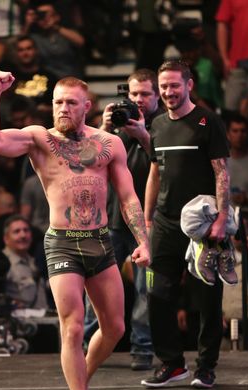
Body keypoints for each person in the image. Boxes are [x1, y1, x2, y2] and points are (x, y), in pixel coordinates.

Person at [0, 71, 151, 390]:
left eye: (71, 103)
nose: (63, 108)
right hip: (62, 242)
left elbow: (128, 197)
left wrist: (144, 242)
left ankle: (80, 378)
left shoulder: (109, 144)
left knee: (115, 328)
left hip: (100, 241)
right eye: (58, 102)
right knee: (72, 327)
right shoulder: (39, 139)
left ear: (86, 107)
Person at [141, 60, 230, 390]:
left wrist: (222, 217)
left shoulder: (208, 121)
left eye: (174, 85)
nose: (168, 92)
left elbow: (222, 171)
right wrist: (148, 219)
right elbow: (154, 173)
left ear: (189, 85)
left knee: (207, 299)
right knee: (156, 292)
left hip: (202, 224)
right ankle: (172, 364)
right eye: (163, 86)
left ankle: (206, 367)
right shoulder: (158, 124)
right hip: (164, 223)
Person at [92, 68, 163, 371]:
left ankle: (143, 349)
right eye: (134, 94)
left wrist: (144, 135)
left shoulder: (163, 124)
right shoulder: (115, 125)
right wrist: (103, 127)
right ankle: (88, 345)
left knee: (146, 291)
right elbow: (87, 160)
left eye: (145, 94)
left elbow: (167, 165)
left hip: (147, 223)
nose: (138, 100)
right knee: (96, 288)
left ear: (157, 95)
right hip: (111, 221)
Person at [2, 214, 49, 310]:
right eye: (16, 231)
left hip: (42, 320)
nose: (23, 235)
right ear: (6, 239)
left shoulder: (33, 261)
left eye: (26, 230)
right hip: (20, 323)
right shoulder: (3, 264)